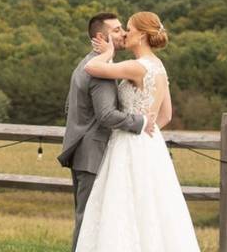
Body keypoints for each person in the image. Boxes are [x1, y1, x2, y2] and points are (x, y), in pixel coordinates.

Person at [74, 11, 200, 251]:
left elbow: (91, 67)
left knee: (123, 207)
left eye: (129, 29)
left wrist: (108, 52)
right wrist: (146, 131)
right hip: (151, 146)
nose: (125, 34)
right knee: (153, 208)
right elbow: (166, 115)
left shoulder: (136, 67)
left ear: (141, 35)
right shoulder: (159, 67)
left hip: (128, 144)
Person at [57, 13, 155, 252]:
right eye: (117, 30)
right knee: (89, 219)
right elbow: (106, 116)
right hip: (93, 152)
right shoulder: (99, 71)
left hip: (83, 150)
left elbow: (69, 106)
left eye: (124, 28)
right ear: (101, 37)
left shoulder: (87, 62)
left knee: (89, 216)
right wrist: (141, 122)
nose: (123, 33)